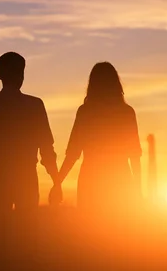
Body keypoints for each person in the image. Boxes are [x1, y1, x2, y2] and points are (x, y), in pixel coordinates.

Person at [0, 52, 60, 212]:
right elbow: (47, 150)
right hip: (26, 181)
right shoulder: (34, 106)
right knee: (26, 233)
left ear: (0, 75)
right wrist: (56, 182)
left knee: (1, 234)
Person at [54, 62, 142, 216]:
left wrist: (58, 182)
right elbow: (134, 155)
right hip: (120, 180)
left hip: (91, 178)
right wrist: (138, 189)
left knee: (89, 230)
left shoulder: (85, 112)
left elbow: (73, 153)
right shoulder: (127, 112)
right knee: (119, 230)